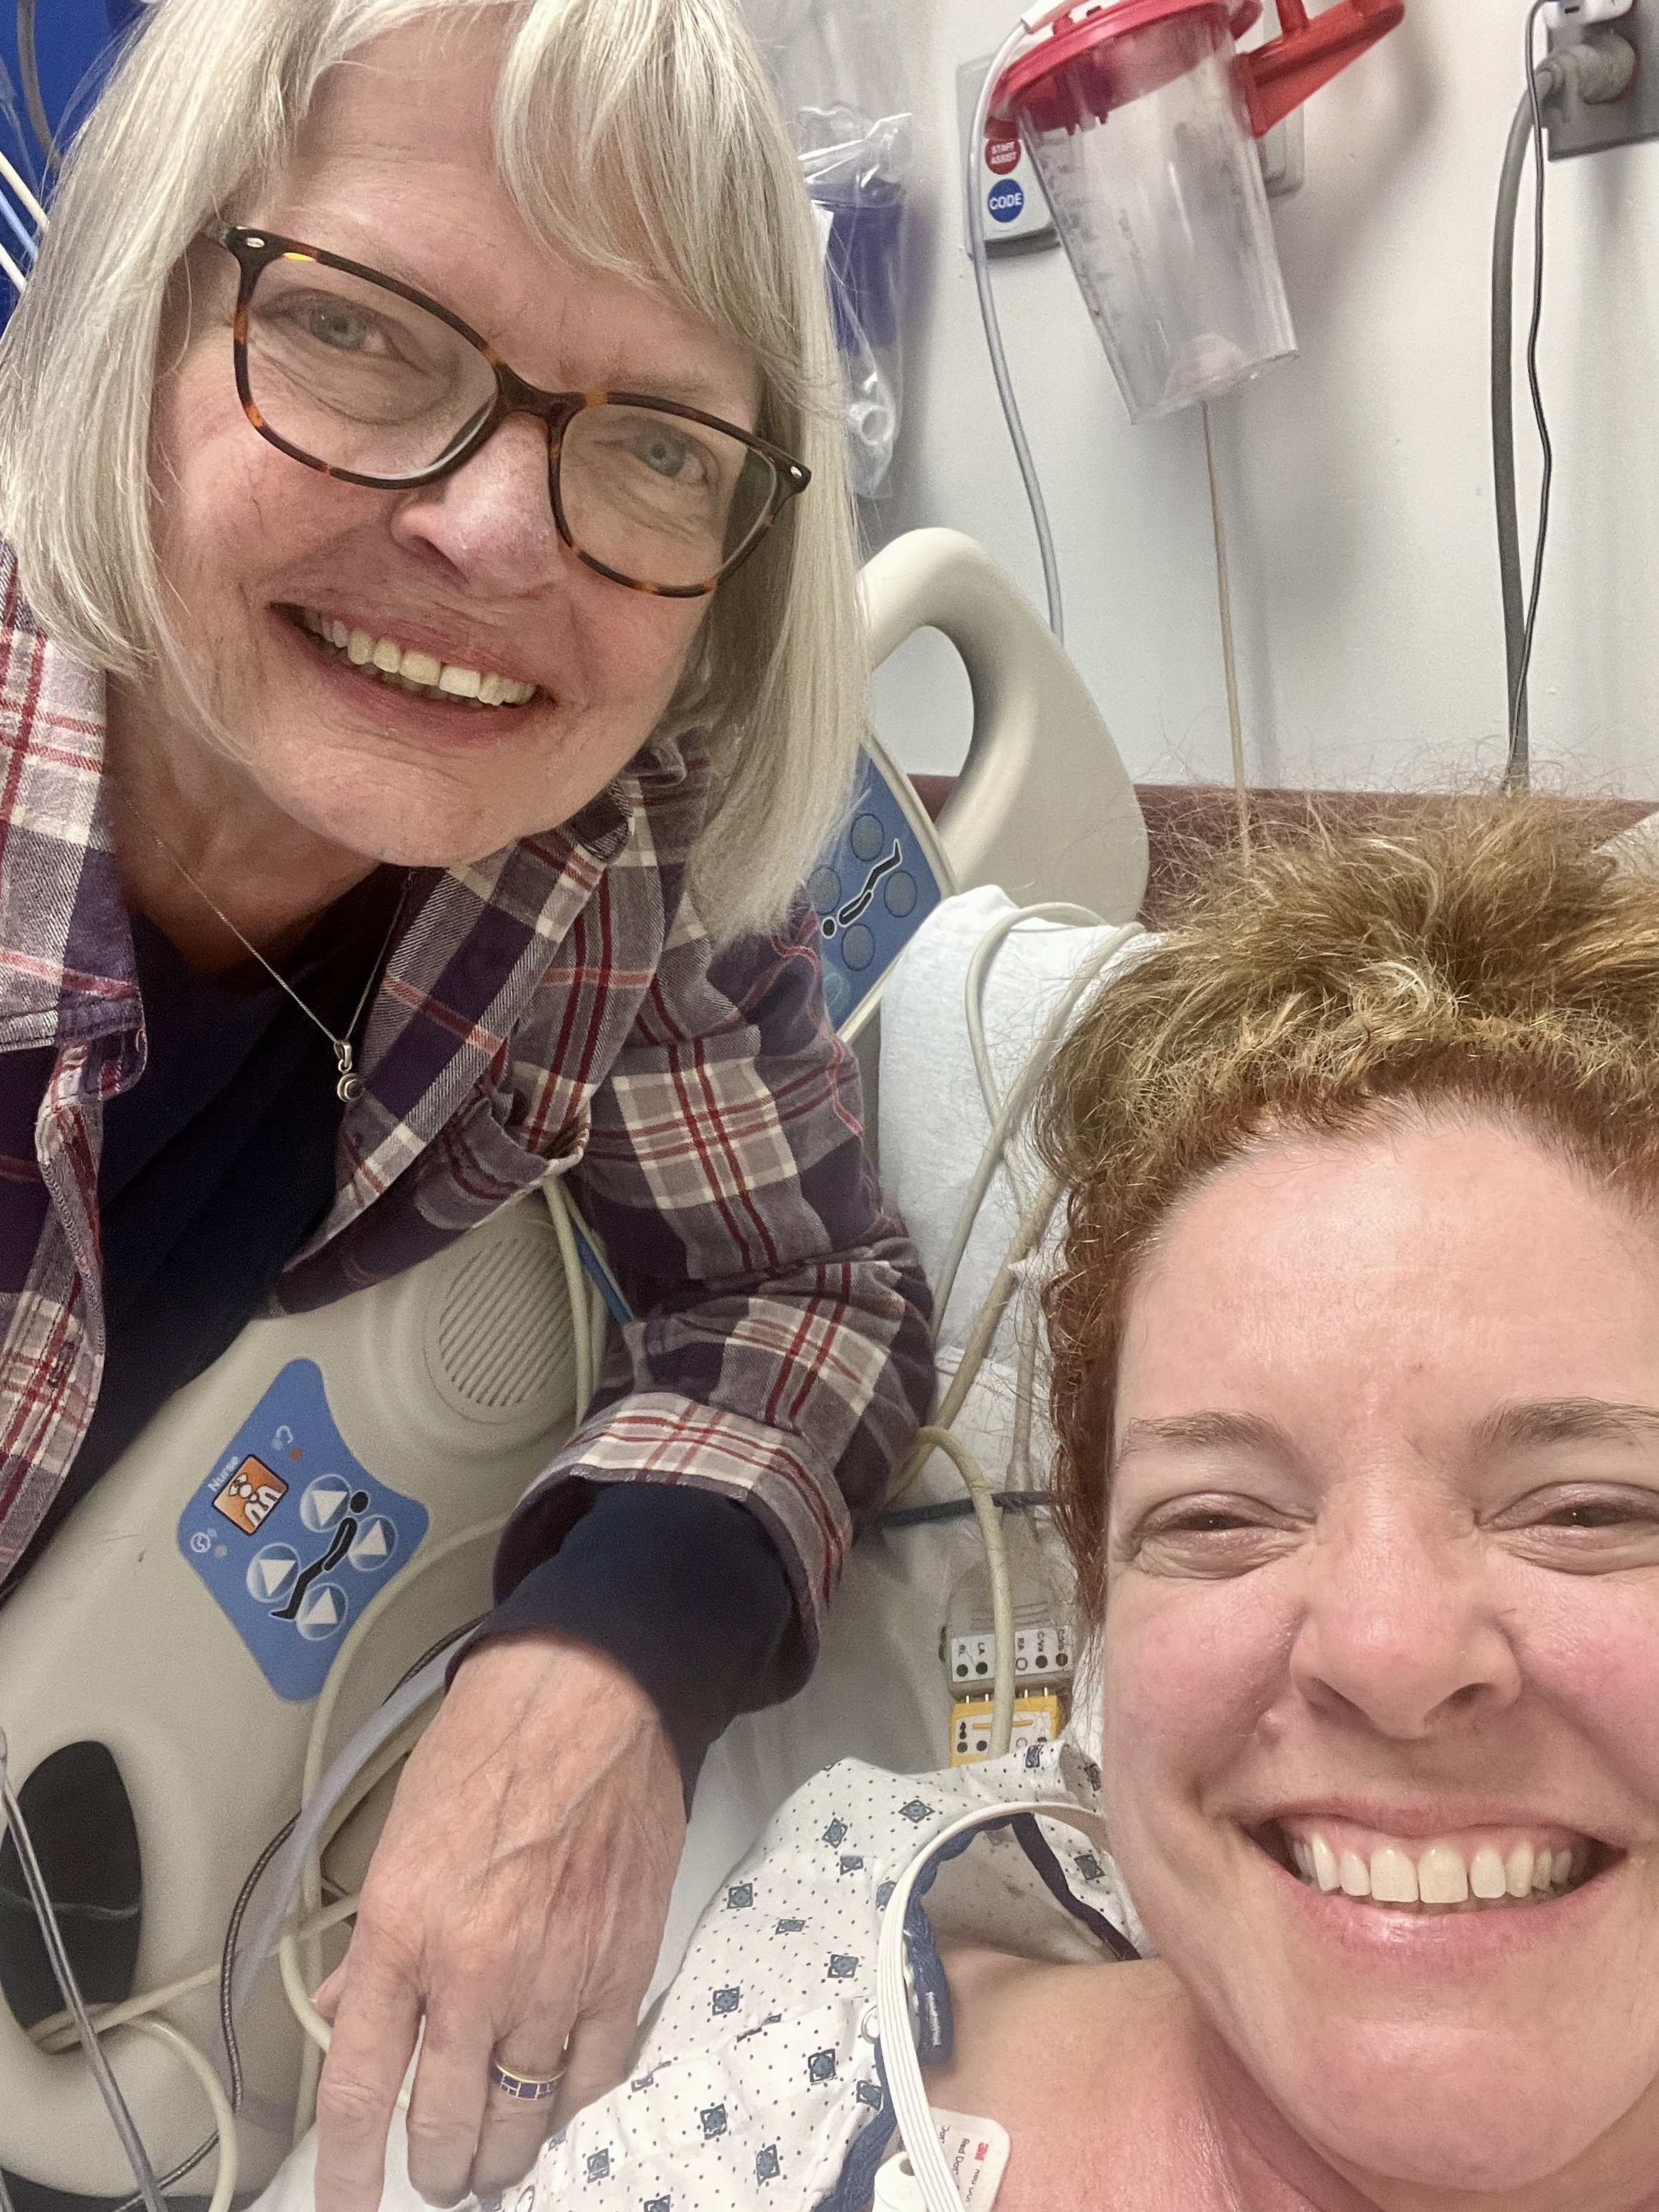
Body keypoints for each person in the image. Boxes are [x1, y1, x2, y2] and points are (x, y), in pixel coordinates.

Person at [0, 1, 932, 2204]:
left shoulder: (611, 855)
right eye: (355, 332)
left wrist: (614, 1644)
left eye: (657, 447)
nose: (500, 533)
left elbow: (801, 1294)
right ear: (130, 312)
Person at [327, 797, 1656, 2212]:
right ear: (1105, 1613)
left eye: (1589, 1511)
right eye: (1216, 1520)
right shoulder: (779, 2061)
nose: (1390, 1650)